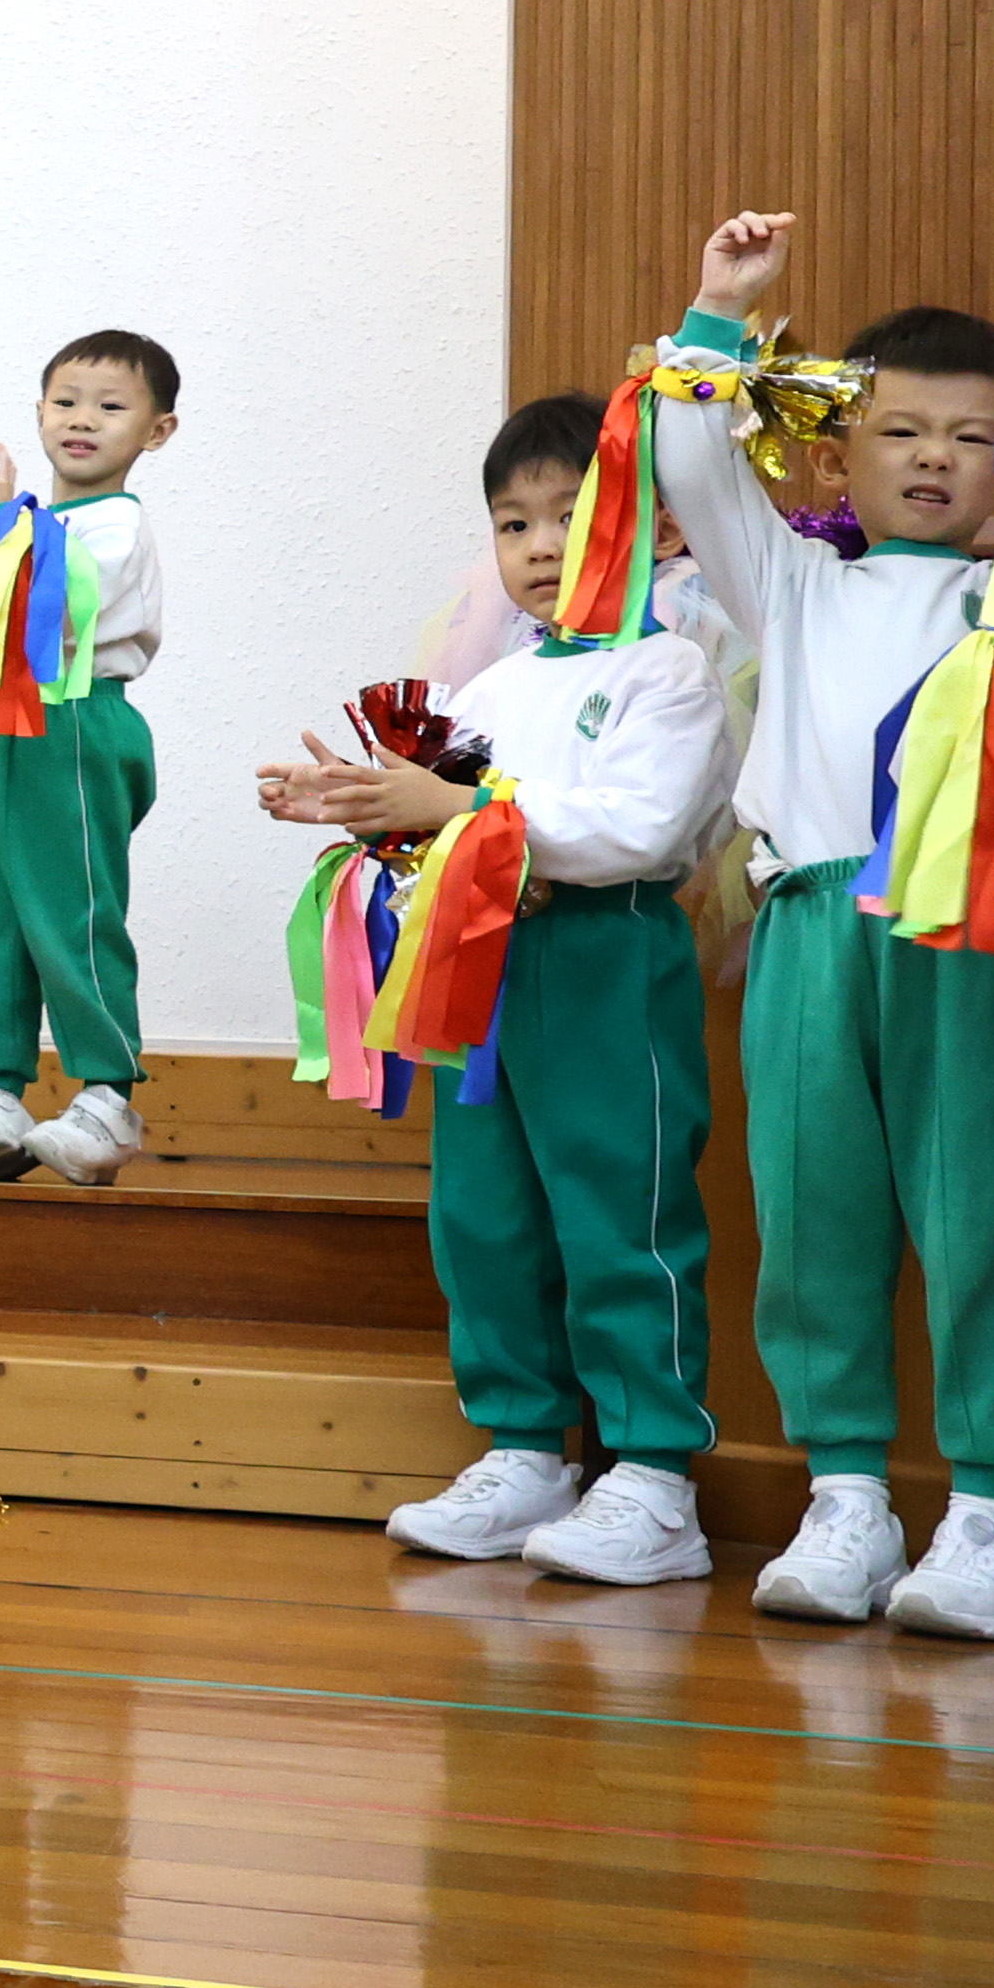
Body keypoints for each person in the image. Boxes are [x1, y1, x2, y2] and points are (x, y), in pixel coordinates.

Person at [653, 210, 994, 1632]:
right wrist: (720, 309)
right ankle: (846, 1497)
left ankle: (990, 1516)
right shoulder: (793, 585)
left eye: (969, 435)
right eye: (898, 432)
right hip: (808, 927)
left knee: (981, 1206)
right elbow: (692, 463)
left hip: (968, 926)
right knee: (811, 1210)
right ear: (837, 459)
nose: (934, 457)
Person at [274, 395, 738, 1582]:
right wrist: (356, 806)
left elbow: (638, 829)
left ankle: (654, 1475)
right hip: (478, 969)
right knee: (485, 1215)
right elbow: (433, 822)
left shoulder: (670, 672)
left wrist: (462, 810)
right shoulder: (489, 690)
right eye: (514, 523)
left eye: (571, 516)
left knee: (619, 1209)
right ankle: (525, 1447)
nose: (540, 545)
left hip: (604, 959)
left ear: (660, 529)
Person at [0, 330, 176, 1187]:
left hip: (79, 722)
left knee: (73, 909)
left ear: (157, 431)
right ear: (39, 411)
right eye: (66, 402)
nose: (83, 419)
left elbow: (50, 597)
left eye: (111, 407)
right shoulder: (38, 519)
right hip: (11, 721)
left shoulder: (116, 524)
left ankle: (108, 1096)